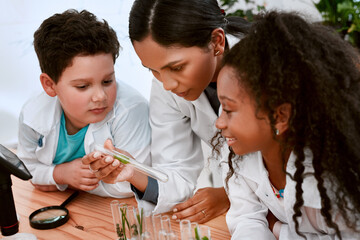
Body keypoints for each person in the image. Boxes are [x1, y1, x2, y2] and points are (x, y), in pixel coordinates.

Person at [84, 0, 251, 223]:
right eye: (153, 70)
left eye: (177, 67)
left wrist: (229, 195)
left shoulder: (265, 69)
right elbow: (176, 171)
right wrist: (134, 172)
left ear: (216, 42)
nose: (168, 84)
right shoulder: (167, 88)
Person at [214, 11, 360, 239]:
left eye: (229, 110)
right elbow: (246, 218)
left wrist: (278, 229)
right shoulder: (239, 155)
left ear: (280, 116)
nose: (219, 122)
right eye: (221, 108)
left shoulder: (333, 178)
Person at [17, 9, 151, 198]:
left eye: (107, 81)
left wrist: (58, 181)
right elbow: (26, 170)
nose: (100, 97)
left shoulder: (132, 110)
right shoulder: (33, 113)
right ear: (49, 85)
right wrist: (60, 174)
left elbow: (129, 186)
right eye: (82, 86)